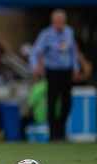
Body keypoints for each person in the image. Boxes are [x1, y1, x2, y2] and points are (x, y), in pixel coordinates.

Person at [29, 9, 80, 141]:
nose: (60, 23)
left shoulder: (69, 32)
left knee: (67, 101)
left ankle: (60, 128)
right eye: (57, 21)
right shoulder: (46, 35)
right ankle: (53, 134)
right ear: (53, 21)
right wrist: (35, 66)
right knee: (52, 102)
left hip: (66, 70)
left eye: (62, 21)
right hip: (52, 71)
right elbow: (35, 51)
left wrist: (76, 68)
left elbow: (72, 52)